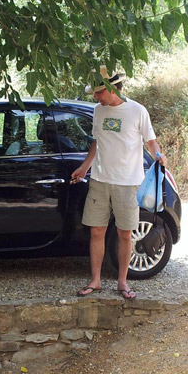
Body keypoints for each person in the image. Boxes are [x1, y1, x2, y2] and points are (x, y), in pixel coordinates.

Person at [71, 66, 168, 299]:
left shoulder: (137, 111)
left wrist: (159, 156)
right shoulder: (98, 111)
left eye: (99, 92)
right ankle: (95, 281)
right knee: (97, 231)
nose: (96, 97)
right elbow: (97, 142)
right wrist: (85, 167)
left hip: (128, 183)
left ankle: (122, 282)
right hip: (100, 180)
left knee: (125, 234)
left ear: (113, 88)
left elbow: (150, 142)